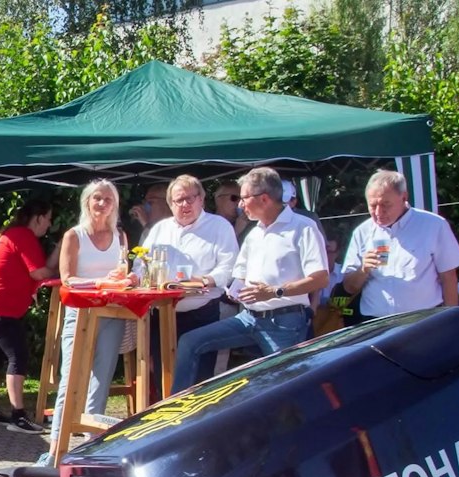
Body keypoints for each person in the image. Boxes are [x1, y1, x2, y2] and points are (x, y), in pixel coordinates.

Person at [169, 167, 329, 393]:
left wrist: (275, 291)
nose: (240, 205)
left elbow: (321, 278)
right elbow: (240, 276)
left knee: (287, 390)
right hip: (248, 318)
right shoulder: (254, 233)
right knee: (189, 342)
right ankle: (178, 416)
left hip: (285, 321)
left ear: (263, 198)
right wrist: (233, 289)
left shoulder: (303, 227)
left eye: (243, 198)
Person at [43, 179, 132, 457]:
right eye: (97, 198)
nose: (102, 204)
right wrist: (102, 281)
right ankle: (56, 450)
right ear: (87, 202)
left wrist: (124, 279)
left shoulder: (121, 236)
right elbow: (67, 279)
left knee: (102, 379)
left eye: (108, 199)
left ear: (115, 204)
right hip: (80, 314)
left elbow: (123, 272)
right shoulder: (74, 235)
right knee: (70, 380)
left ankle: (91, 450)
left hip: (113, 312)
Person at [139, 175, 240, 387]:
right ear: (170, 204)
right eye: (179, 200)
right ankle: (165, 419)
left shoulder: (219, 226)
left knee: (199, 382)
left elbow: (229, 266)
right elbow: (141, 263)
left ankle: (198, 421)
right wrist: (135, 276)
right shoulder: (159, 229)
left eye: (190, 198)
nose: (185, 204)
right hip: (162, 314)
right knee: (163, 377)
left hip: (201, 315)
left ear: (201, 199)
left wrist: (206, 280)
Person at [0, 196, 56, 432]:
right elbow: (39, 272)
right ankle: (18, 416)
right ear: (37, 218)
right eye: (47, 219)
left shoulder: (14, 234)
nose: (49, 225)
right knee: (18, 356)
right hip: (0, 306)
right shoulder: (23, 236)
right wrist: (59, 255)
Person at [340, 169, 459, 318]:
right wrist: (363, 270)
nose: (379, 212)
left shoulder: (433, 225)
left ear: (404, 197)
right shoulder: (363, 231)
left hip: (422, 320)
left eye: (386, 204)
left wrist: (451, 320)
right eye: (373, 205)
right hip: (376, 323)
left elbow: (449, 277)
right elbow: (349, 287)